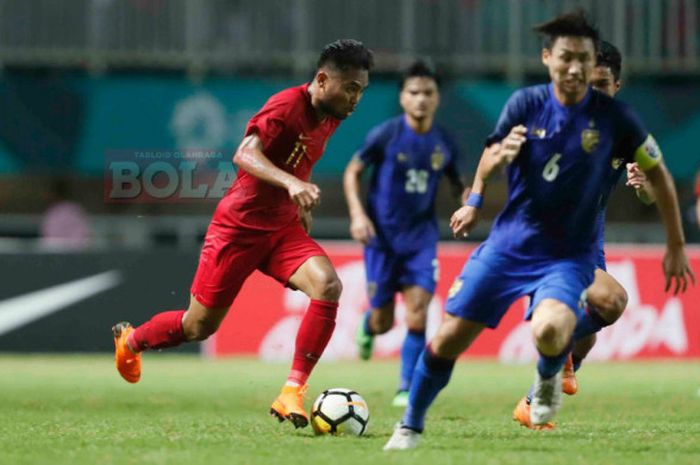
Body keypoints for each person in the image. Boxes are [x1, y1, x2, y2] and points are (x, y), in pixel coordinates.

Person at [384, 12, 694, 451]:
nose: (575, 68)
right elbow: (490, 156)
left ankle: (548, 376)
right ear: (548, 58)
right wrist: (475, 199)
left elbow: (658, 173)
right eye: (565, 57)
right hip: (512, 243)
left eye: (583, 60)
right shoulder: (525, 106)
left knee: (559, 325)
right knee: (449, 337)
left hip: (571, 252)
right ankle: (411, 425)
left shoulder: (618, 121)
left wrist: (675, 243)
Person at [112, 39, 373, 430]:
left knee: (328, 286)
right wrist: (290, 184)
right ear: (322, 80)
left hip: (282, 229)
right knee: (198, 327)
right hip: (239, 229)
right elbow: (245, 154)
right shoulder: (287, 106)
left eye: (361, 91)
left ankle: (292, 392)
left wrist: (298, 198)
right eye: (350, 88)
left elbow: (297, 159)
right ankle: (131, 342)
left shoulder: (331, 117)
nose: (356, 99)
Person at [512, 40, 657, 429]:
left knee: (586, 338)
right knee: (613, 301)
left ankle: (534, 402)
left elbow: (650, 195)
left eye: (603, 85)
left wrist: (643, 184)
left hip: (589, 245)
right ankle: (549, 368)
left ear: (617, 86)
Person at [344, 60, 466, 408]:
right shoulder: (386, 135)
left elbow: (458, 183)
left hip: (420, 240)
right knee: (384, 322)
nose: (421, 99)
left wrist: (467, 203)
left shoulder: (445, 143)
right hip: (381, 240)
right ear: (402, 98)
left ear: (437, 97)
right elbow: (353, 172)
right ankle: (369, 326)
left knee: (417, 312)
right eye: (414, 92)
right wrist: (357, 215)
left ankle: (406, 387)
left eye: (428, 92)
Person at [40, 178, 92, 250]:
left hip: (74, 253)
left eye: (48, 193)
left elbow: (83, 236)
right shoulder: (52, 212)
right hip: (58, 253)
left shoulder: (73, 209)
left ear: (54, 194)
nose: (46, 196)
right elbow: (47, 238)